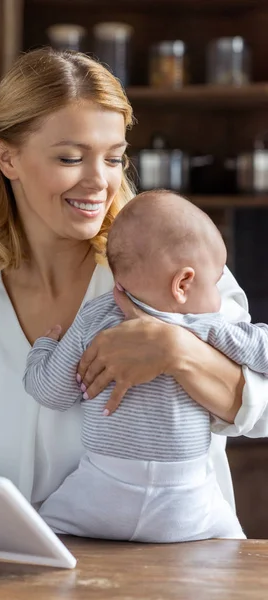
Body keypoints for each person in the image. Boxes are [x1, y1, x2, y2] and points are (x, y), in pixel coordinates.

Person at [0, 48, 268, 562]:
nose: (99, 181)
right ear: (8, 158)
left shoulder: (174, 278)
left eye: (113, 157)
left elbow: (261, 409)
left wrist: (177, 350)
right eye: (71, 157)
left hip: (182, 571)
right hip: (28, 576)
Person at [24, 189, 268, 542]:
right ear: (183, 283)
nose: (218, 294)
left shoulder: (94, 318)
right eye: (216, 282)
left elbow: (50, 392)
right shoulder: (208, 326)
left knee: (43, 534)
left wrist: (43, 348)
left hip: (100, 492)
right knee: (234, 551)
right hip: (187, 501)